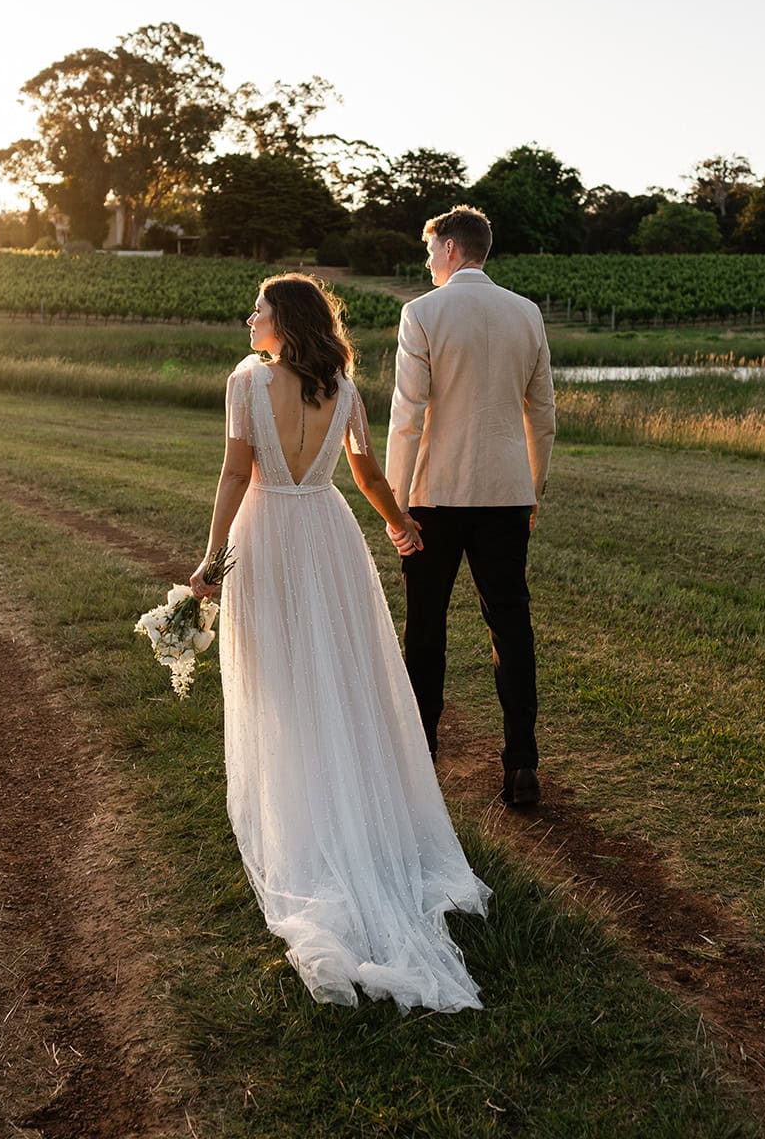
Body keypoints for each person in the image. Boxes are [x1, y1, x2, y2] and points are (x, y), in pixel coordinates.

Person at [189, 273, 490, 1012]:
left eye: (257, 308)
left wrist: (210, 556)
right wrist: (399, 521)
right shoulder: (346, 391)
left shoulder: (247, 384)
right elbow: (364, 471)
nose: (248, 317)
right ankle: (345, 803)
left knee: (281, 681)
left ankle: (305, 818)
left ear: (283, 319)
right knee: (337, 678)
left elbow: (236, 471)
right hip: (326, 533)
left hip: (268, 530)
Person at [385, 205, 556, 807]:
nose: (427, 261)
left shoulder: (422, 314)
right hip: (508, 496)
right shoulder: (527, 314)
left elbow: (407, 417)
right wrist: (532, 487)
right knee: (511, 626)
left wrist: (394, 505)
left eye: (431, 250)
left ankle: (420, 761)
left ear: (452, 249)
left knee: (425, 629)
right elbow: (543, 415)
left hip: (435, 496)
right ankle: (522, 765)